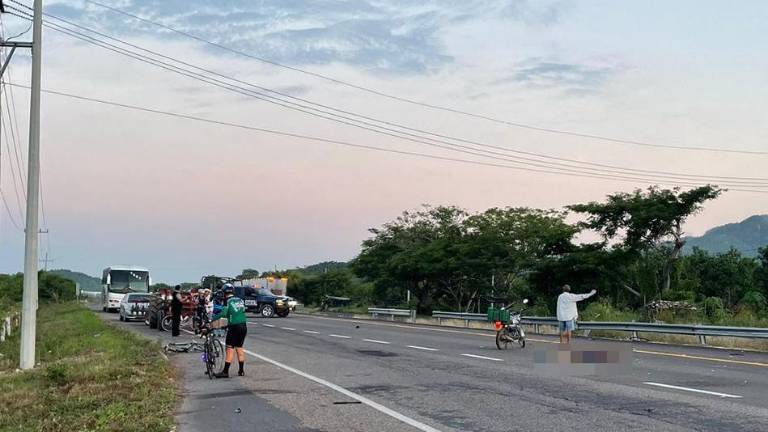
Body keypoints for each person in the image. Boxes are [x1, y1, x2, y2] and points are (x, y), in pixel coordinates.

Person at [212, 284, 247, 378]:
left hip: (234, 327)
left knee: (229, 349)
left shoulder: (227, 300)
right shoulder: (240, 300)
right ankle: (241, 370)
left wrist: (213, 318)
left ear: (224, 292)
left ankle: (225, 372)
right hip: (243, 326)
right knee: (239, 347)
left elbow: (223, 314)